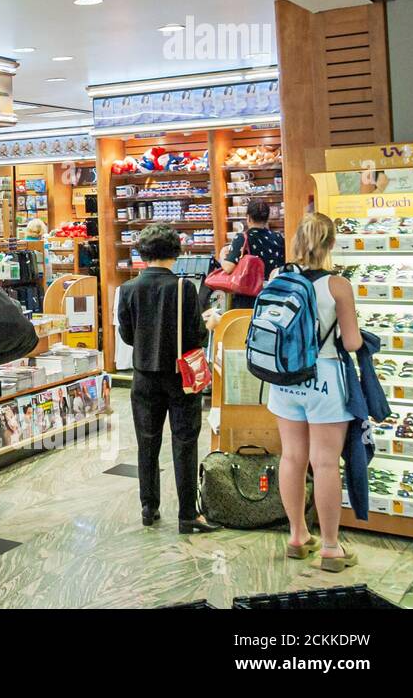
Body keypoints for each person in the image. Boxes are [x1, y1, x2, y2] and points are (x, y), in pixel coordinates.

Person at [266, 212, 361, 571]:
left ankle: (297, 535)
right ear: (331, 244)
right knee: (324, 463)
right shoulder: (337, 286)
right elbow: (350, 343)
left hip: (284, 377)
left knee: (292, 458)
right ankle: (332, 548)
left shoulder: (278, 277)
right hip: (324, 377)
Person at [116, 223, 219, 534]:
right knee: (184, 442)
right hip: (180, 377)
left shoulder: (129, 289)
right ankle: (188, 514)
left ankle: (149, 507)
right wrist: (209, 325)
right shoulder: (183, 288)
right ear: (176, 252)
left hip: (143, 376)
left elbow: (127, 335)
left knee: (147, 442)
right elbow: (196, 335)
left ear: (142, 252)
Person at [217, 200, 286, 309]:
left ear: (248, 218)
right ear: (267, 218)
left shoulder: (243, 238)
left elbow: (228, 267)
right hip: (274, 295)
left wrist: (222, 255)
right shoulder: (278, 238)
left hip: (248, 299)